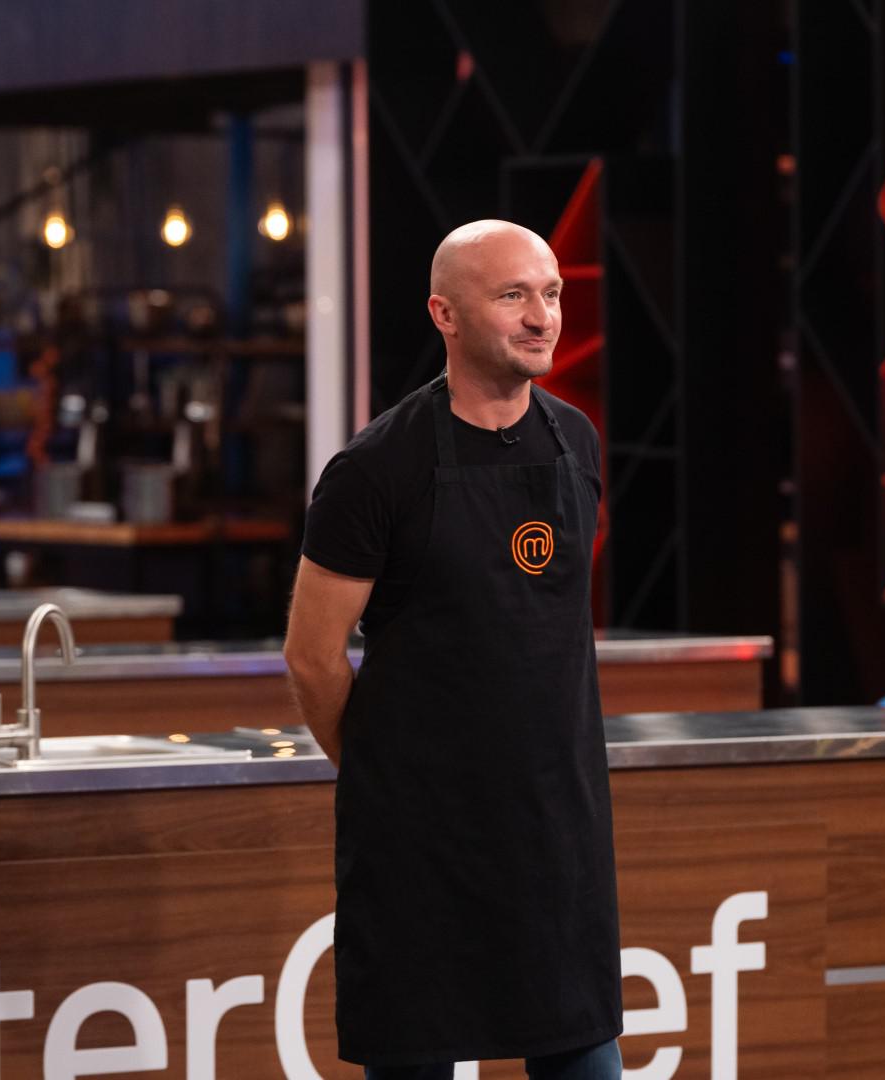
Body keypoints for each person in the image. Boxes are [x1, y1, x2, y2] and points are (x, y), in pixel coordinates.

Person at [284, 220, 624, 1079]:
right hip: (419, 850)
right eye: (513, 296)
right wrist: (384, 776)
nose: (541, 317)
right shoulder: (375, 470)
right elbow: (312, 657)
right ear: (445, 314)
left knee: (585, 1057)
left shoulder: (576, 442)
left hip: (557, 832)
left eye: (551, 294)